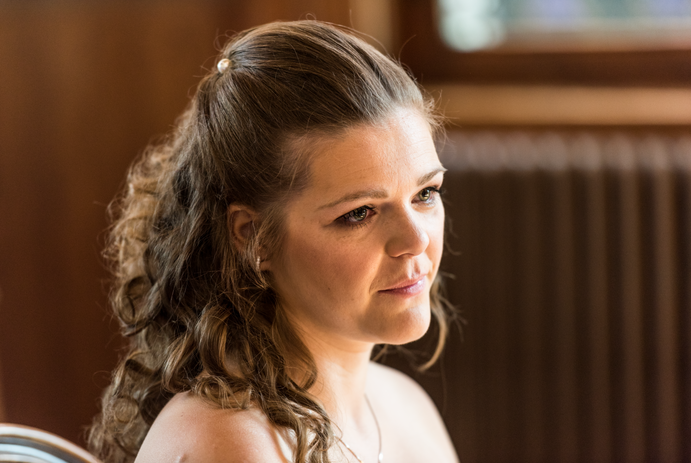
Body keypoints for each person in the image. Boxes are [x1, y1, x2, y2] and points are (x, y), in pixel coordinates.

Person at [88, 20, 459, 463]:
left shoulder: (408, 406)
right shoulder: (227, 443)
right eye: (359, 213)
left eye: (425, 193)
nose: (416, 239)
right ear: (253, 237)